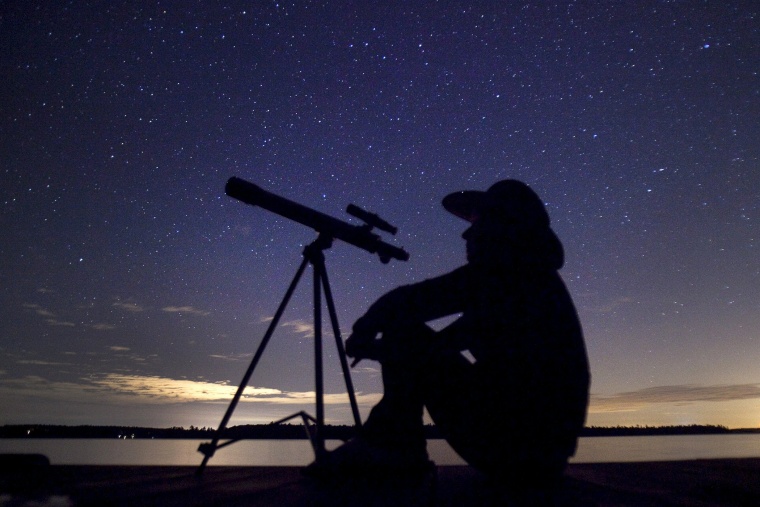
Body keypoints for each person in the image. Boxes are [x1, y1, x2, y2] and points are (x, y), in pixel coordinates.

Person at [307, 180, 590, 490]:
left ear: (505, 230)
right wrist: (386, 345)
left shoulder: (507, 277)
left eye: (479, 224)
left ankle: (395, 450)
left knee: (406, 333)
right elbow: (441, 332)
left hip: (519, 451)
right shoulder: (528, 281)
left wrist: (368, 335)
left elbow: (411, 304)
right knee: (408, 336)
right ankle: (392, 447)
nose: (467, 234)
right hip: (539, 457)